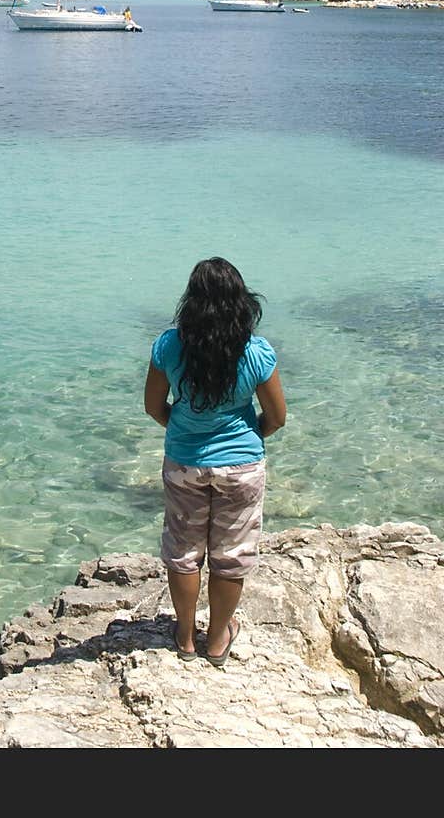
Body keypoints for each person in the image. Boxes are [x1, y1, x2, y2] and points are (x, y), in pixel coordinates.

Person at [144, 257, 286, 665]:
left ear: (192, 301)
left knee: (184, 553)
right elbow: (276, 418)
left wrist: (184, 432)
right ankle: (218, 639)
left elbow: (154, 406)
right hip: (241, 467)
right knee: (231, 555)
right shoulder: (256, 352)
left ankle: (186, 638)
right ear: (241, 301)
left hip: (185, 463)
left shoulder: (169, 346)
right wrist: (244, 439)